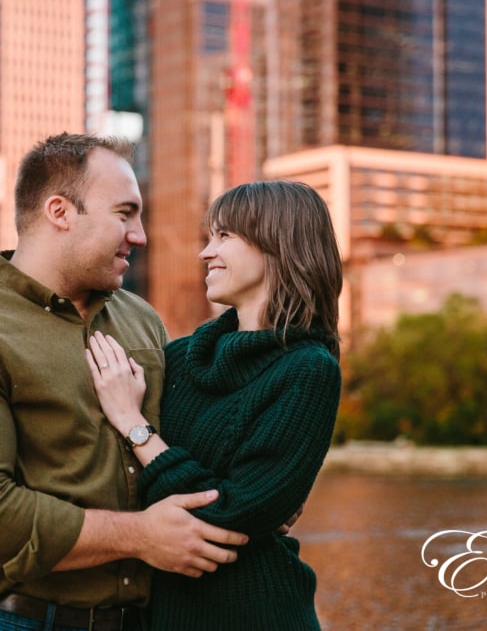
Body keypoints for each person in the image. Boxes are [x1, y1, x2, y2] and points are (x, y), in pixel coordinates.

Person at [0, 132, 248, 631]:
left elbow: (180, 443)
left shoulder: (142, 320)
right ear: (59, 212)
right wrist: (142, 536)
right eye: (125, 214)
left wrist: (258, 493)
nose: (140, 235)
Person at [86, 180, 343, 630]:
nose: (206, 252)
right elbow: (127, 485)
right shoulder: (180, 358)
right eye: (209, 237)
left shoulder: (308, 370)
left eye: (224, 237)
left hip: (255, 613)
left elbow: (229, 513)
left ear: (277, 245)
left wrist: (134, 425)